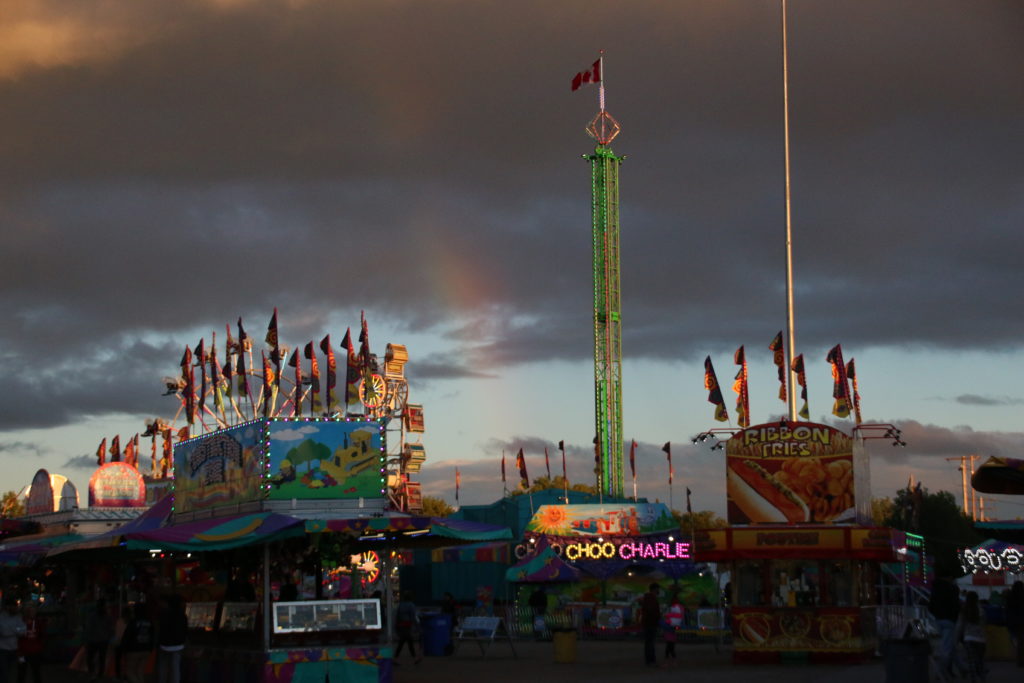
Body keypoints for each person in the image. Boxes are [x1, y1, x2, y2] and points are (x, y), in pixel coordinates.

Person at [928, 575, 966, 678]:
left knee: (949, 646)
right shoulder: (952, 589)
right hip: (949, 620)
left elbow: (931, 606)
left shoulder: (936, 590)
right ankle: (940, 672)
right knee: (947, 648)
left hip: (938, 619)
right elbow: (955, 605)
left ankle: (961, 668)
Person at [119, 603, 155, 683]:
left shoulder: (133, 622)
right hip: (146, 649)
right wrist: (150, 648)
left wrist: (123, 648)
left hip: (133, 649)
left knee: (129, 672)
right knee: (140, 671)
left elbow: (127, 636)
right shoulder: (149, 622)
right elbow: (152, 636)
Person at [956, 591, 987, 683]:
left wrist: (956, 639)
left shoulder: (964, 611)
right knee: (980, 661)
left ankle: (973, 680)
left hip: (969, 638)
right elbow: (984, 623)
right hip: (981, 639)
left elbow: (960, 626)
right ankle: (982, 678)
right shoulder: (981, 610)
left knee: (971, 662)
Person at [156, 594, 187, 683]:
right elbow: (185, 630)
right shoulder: (182, 616)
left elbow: (160, 629)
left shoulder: (164, 614)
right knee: (175, 668)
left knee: (162, 667)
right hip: (178, 645)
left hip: (164, 645)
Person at [84, 599, 114, 683]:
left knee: (92, 658)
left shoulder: (93, 616)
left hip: (95, 640)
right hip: (101, 640)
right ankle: (98, 674)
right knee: (101, 658)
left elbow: (88, 629)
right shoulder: (107, 617)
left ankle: (94, 674)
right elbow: (111, 629)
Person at [0, 598, 26, 683]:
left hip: (15, 649)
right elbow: (3, 632)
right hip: (3, 650)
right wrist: (16, 630)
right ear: (7, 607)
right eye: (14, 606)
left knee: (12, 673)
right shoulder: (1, 617)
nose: (15, 608)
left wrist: (12, 629)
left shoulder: (18, 617)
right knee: (4, 673)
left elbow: (23, 630)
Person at [16, 604, 43, 683]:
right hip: (22, 652)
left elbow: (41, 635)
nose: (32, 613)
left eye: (33, 611)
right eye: (30, 611)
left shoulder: (37, 622)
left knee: (36, 671)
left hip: (35, 651)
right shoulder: (20, 622)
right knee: (21, 671)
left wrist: (40, 646)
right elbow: (17, 635)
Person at [394, 592, 420, 664]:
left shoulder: (400, 605)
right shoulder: (411, 605)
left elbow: (397, 616)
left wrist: (397, 626)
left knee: (404, 642)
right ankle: (415, 658)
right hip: (408, 625)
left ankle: (414, 658)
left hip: (401, 625)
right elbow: (413, 616)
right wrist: (416, 626)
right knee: (407, 642)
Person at [639, 583, 661, 667]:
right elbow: (651, 610)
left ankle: (650, 660)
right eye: (658, 589)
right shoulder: (651, 598)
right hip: (651, 623)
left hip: (648, 622)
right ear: (654, 589)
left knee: (649, 642)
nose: (658, 591)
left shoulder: (648, 598)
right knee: (650, 643)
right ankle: (651, 661)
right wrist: (658, 616)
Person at [1005, 580, 1024, 668]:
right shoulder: (1022, 597)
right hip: (1021, 621)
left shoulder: (1010, 597)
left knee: (1018, 641)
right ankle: (1020, 660)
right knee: (1021, 642)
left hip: (1013, 622)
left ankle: (1019, 659)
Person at [663, 591, 684, 666]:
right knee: (670, 647)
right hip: (671, 628)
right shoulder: (678, 607)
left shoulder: (673, 607)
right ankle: (672, 661)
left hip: (670, 628)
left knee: (669, 647)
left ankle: (668, 661)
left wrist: (668, 617)